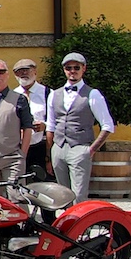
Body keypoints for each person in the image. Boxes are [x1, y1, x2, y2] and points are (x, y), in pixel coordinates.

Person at [46, 52, 117, 204]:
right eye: (68, 68)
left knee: (78, 195)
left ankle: (81, 227)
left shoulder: (93, 94)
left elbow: (108, 125)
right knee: (62, 195)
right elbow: (51, 125)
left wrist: (91, 150)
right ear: (64, 70)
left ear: (83, 69)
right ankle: (66, 226)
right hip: (58, 147)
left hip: (80, 147)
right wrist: (50, 151)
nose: (72, 71)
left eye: (76, 67)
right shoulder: (54, 94)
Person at [13, 58, 52, 174]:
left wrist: (45, 126)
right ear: (15, 75)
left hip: (42, 147)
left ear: (35, 71)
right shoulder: (12, 95)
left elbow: (57, 120)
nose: (24, 73)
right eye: (20, 71)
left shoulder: (49, 94)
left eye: (27, 70)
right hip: (18, 147)